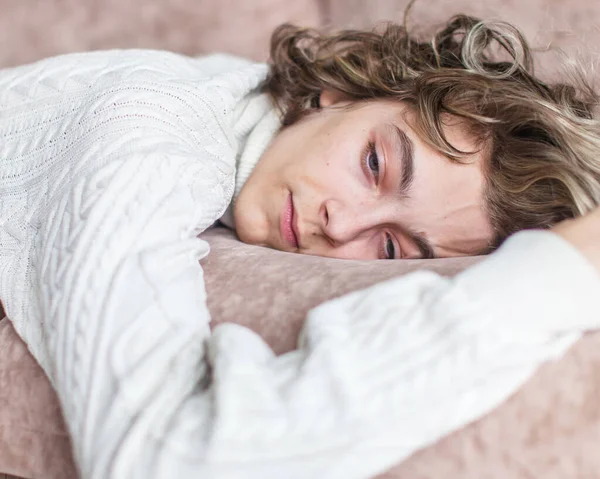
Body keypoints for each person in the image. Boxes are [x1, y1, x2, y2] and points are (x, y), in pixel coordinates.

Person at [0, 13, 599, 479]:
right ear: (341, 92)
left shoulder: (232, 101)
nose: (342, 227)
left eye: (391, 249)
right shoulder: (147, 135)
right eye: (374, 164)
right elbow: (157, 460)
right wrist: (553, 278)